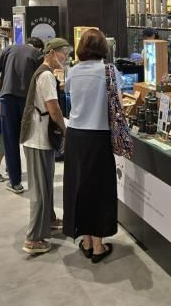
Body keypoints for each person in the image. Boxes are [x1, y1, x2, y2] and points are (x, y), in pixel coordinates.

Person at [63, 29, 121, 263]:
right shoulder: (109, 71)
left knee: (79, 187)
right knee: (99, 190)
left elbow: (68, 92)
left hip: (75, 136)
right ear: (103, 48)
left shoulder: (73, 71)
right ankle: (98, 246)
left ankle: (86, 241)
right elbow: (117, 103)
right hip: (98, 136)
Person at [19, 38, 71, 254]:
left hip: (40, 137)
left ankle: (49, 220)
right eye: (63, 53)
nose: (65, 58)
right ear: (51, 53)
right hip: (38, 138)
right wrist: (65, 129)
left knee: (46, 184)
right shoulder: (47, 75)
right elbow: (53, 108)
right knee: (40, 190)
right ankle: (33, 238)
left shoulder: (43, 73)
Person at [0, 39, 43, 194]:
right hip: (27, 101)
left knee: (10, 142)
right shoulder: (37, 55)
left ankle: (15, 183)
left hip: (8, 100)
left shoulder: (9, 49)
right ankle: (36, 180)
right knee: (31, 139)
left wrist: (3, 87)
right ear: (39, 48)